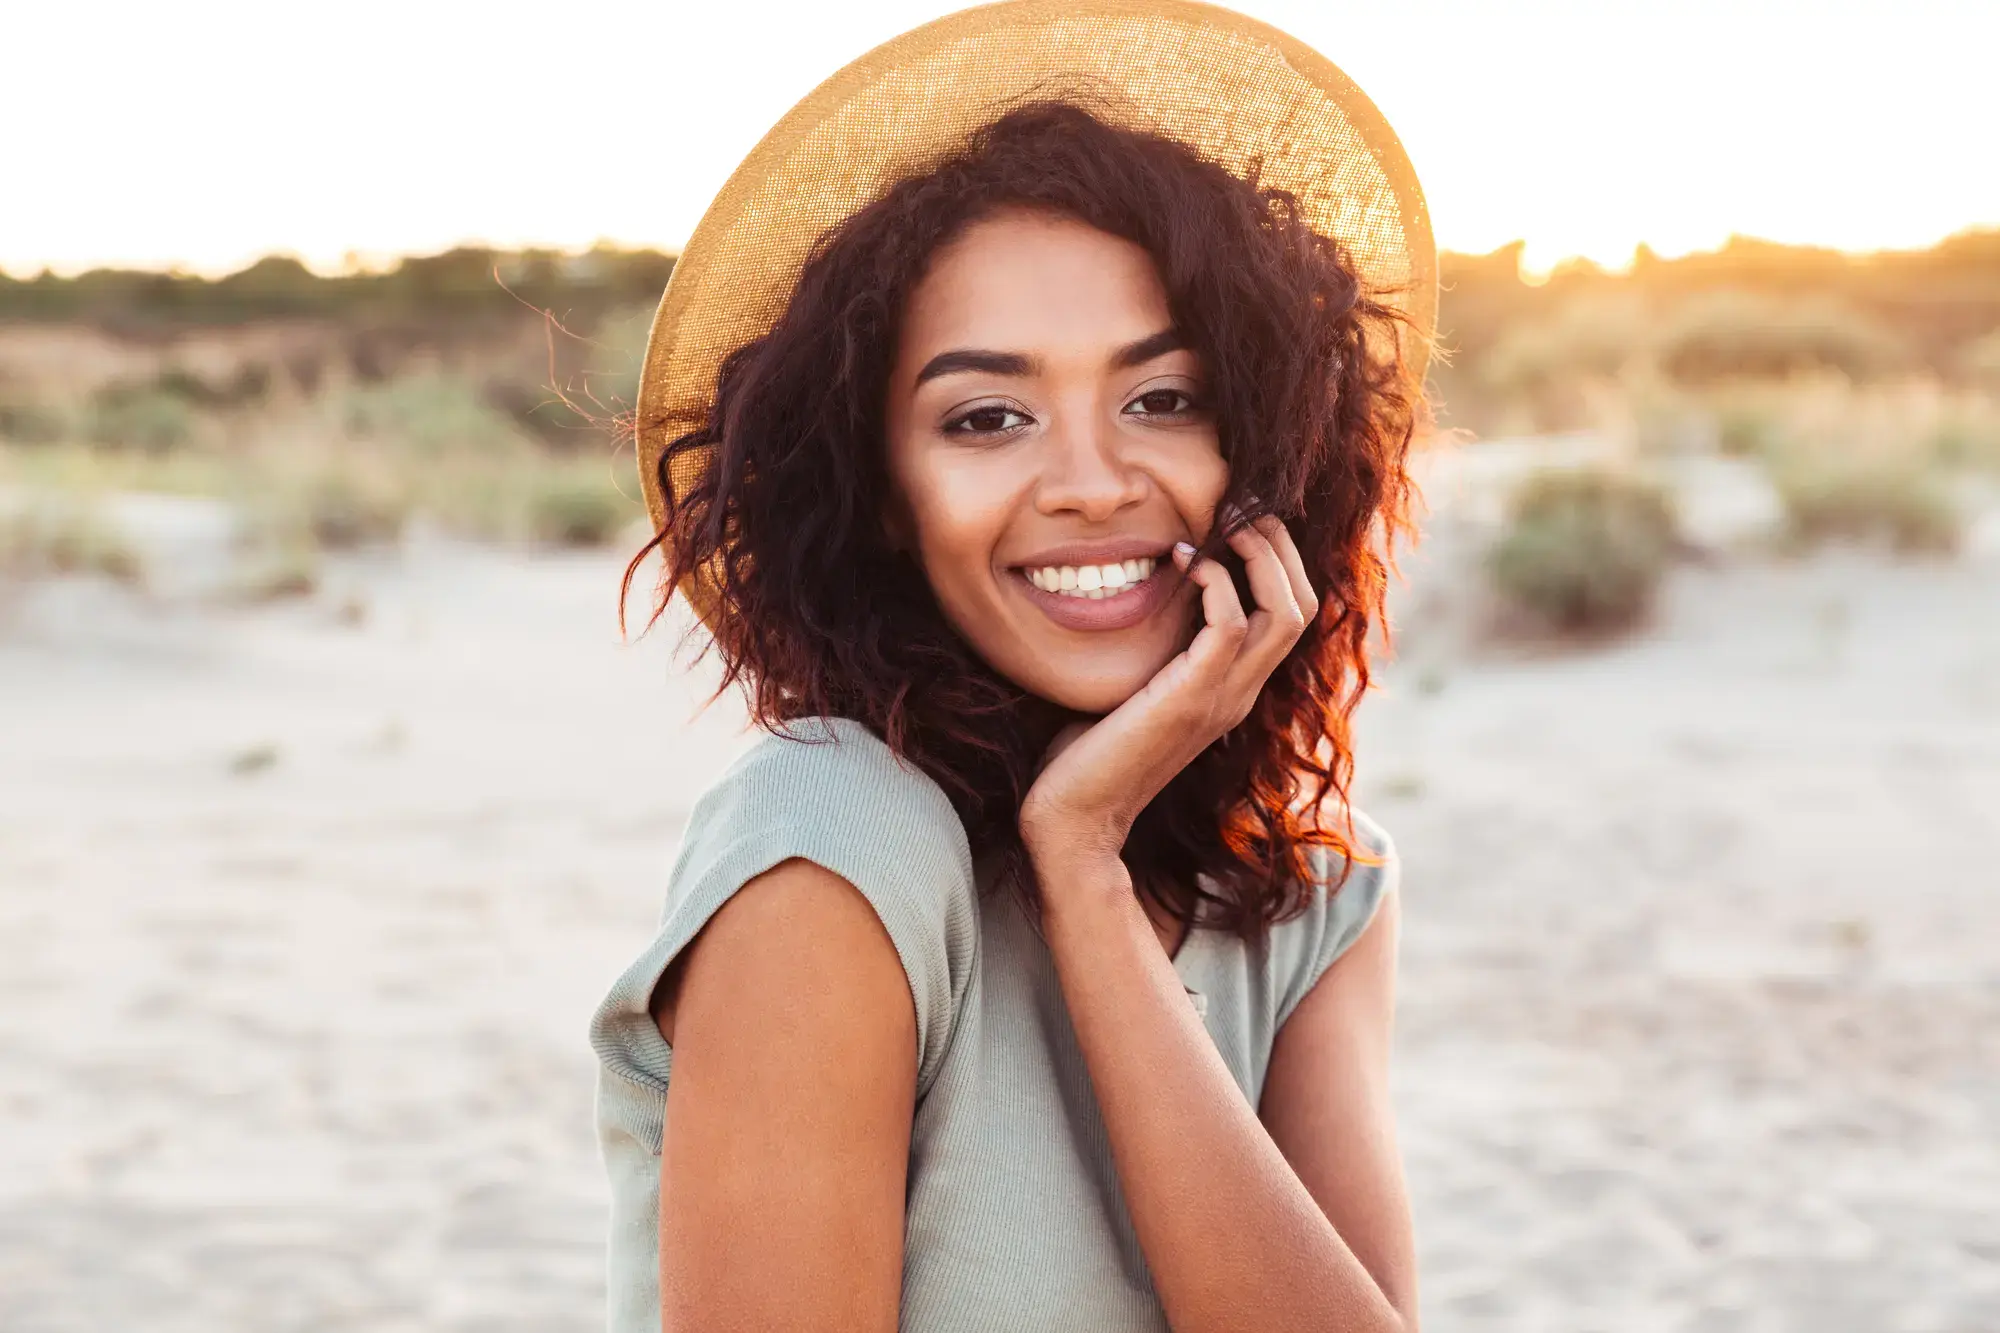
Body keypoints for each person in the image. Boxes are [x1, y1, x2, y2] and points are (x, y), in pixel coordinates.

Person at [589, 3, 1436, 1330]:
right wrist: (1078, 844)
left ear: (1263, 451)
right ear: (881, 497)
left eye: (1164, 399)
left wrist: (1086, 864)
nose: (1095, 486)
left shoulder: (1316, 887)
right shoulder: (834, 844)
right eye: (988, 418)